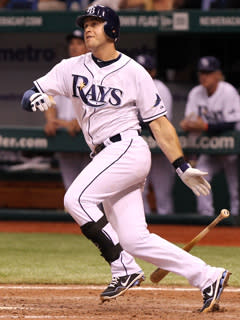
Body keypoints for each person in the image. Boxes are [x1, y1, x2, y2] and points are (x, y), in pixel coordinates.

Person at [21, 5, 230, 312]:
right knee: (133, 238)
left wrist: (181, 165)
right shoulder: (71, 67)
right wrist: (34, 99)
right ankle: (208, 276)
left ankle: (123, 268)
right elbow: (32, 92)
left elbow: (159, 124)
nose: (88, 28)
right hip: (105, 155)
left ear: (113, 30)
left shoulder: (134, 72)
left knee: (76, 199)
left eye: (96, 23)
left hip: (127, 149)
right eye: (86, 23)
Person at [180, 56, 240, 216]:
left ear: (218, 74)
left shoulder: (228, 91)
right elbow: (190, 119)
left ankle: (236, 216)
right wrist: (187, 124)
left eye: (208, 72)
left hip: (230, 147)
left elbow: (232, 123)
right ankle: (206, 215)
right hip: (210, 147)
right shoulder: (195, 92)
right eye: (201, 73)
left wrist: (205, 126)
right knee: (200, 174)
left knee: (235, 183)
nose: (204, 76)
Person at [44, 29, 90, 190]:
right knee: (70, 192)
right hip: (65, 137)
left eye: (79, 43)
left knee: (91, 194)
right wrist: (50, 120)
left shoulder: (95, 71)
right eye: (72, 43)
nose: (74, 47)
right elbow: (48, 97)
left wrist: (79, 121)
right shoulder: (61, 69)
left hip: (89, 141)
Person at [135, 53, 175, 215]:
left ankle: (169, 234)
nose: (143, 73)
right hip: (139, 148)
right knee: (138, 194)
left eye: (147, 69)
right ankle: (142, 234)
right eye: (140, 69)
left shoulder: (161, 88)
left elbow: (160, 121)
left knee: (162, 195)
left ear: (153, 72)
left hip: (160, 148)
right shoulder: (129, 86)